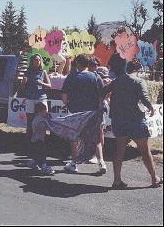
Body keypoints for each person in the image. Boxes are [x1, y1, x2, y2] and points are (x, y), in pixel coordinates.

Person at [103, 60, 163, 189]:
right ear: (138, 70)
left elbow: (103, 91)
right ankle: (154, 178)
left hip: (119, 119)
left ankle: (117, 180)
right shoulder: (138, 81)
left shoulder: (117, 80)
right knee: (145, 151)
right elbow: (144, 96)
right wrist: (150, 107)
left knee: (119, 149)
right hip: (135, 119)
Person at [61, 54, 105, 173]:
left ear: (78, 64)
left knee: (74, 138)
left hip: (76, 114)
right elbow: (102, 96)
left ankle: (74, 163)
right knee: (96, 139)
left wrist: (69, 104)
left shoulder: (71, 77)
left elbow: (64, 98)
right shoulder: (96, 77)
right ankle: (101, 163)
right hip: (92, 113)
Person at [22, 53, 52, 141]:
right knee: (30, 120)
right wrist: (23, 83)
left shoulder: (43, 72)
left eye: (39, 60)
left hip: (41, 98)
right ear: (32, 61)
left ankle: (42, 140)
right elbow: (23, 87)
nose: (37, 62)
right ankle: (29, 140)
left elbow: (49, 86)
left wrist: (42, 83)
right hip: (30, 98)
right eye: (36, 60)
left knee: (43, 119)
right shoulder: (28, 72)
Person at [27, 102, 55, 175]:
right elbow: (45, 127)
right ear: (40, 111)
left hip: (36, 140)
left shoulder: (39, 118)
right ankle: (43, 166)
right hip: (38, 140)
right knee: (43, 153)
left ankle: (33, 162)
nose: (46, 112)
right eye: (45, 110)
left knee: (37, 153)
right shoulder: (39, 120)